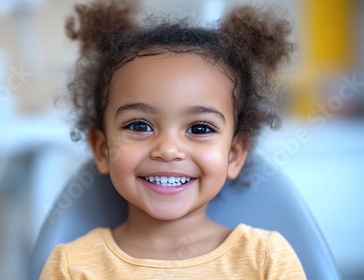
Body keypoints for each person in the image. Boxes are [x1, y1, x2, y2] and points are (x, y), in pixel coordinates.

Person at [41, 0, 306, 278]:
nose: (168, 150)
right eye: (139, 125)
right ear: (102, 149)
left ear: (234, 154)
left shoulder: (266, 259)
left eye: (200, 129)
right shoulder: (71, 265)